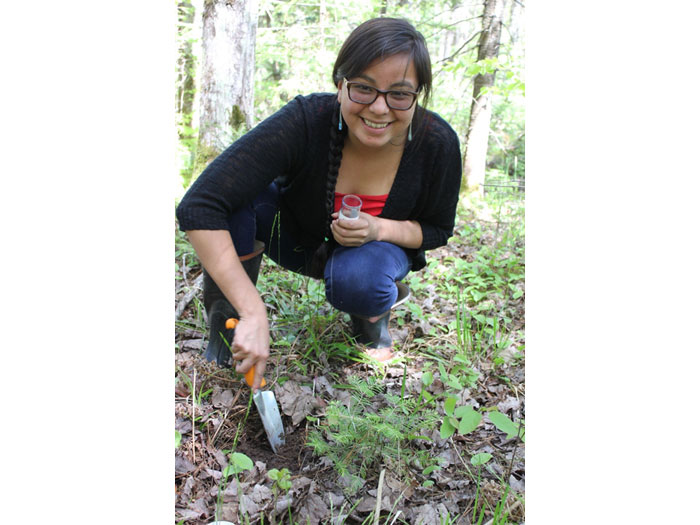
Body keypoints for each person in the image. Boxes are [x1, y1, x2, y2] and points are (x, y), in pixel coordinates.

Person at [176, 17, 462, 391]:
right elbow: (201, 203)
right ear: (340, 84)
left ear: (418, 95)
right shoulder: (307, 120)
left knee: (359, 279)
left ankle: (371, 321)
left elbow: (438, 230)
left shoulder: (436, 143)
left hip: (373, 254)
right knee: (235, 197)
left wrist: (377, 228)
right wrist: (252, 309)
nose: (379, 108)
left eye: (399, 94)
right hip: (299, 240)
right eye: (363, 88)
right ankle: (227, 326)